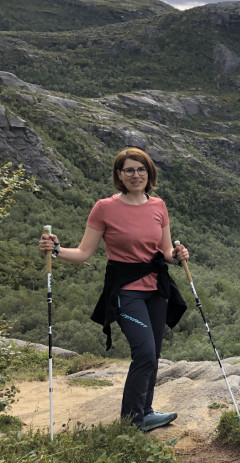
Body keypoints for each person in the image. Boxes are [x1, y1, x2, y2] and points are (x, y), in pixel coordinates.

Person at [39, 147, 189, 431]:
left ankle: (146, 410)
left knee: (153, 353)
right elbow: (84, 253)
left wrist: (178, 253)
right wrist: (56, 250)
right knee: (144, 352)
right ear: (119, 175)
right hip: (125, 291)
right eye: (129, 170)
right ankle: (132, 421)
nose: (136, 175)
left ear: (149, 173)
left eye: (141, 169)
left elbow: (165, 250)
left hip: (156, 289)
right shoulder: (105, 208)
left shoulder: (158, 206)